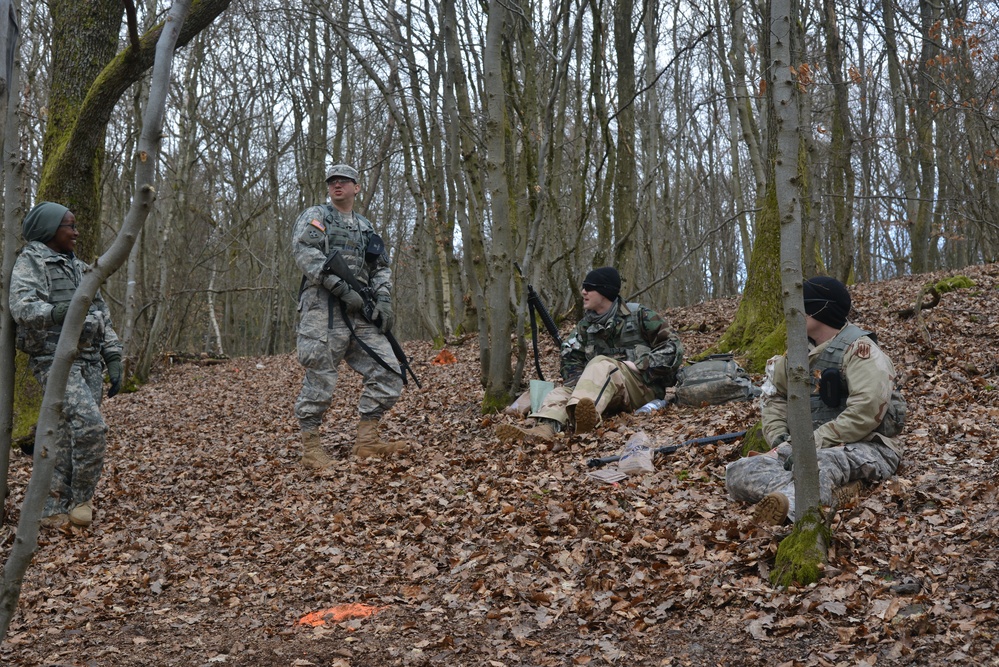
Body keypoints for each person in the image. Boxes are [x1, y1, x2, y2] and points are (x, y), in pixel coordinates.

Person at [725, 276, 906, 524]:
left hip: (868, 446)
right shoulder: (797, 354)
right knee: (740, 470)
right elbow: (776, 395)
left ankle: (792, 506)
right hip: (806, 447)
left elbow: (865, 412)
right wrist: (780, 439)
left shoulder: (861, 352)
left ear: (822, 309)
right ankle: (820, 492)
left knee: (819, 465)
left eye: (802, 306)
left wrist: (810, 444)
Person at [9, 201, 123, 529]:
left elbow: (102, 313)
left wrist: (113, 355)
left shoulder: (81, 267)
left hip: (89, 361)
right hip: (55, 360)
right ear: (49, 230)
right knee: (91, 426)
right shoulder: (32, 260)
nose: (76, 232)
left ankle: (55, 508)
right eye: (69, 226)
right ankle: (81, 500)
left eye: (74, 225)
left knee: (67, 436)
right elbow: (23, 307)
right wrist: (59, 312)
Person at [291, 164, 405, 469]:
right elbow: (305, 252)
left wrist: (383, 299)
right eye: (332, 181)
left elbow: (380, 266)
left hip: (359, 312)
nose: (337, 185)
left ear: (356, 187)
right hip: (322, 309)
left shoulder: (365, 227)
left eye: (344, 181)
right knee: (320, 378)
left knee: (390, 370)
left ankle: (367, 441)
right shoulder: (317, 216)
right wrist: (339, 286)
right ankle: (310, 448)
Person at [496, 267, 684, 443]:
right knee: (560, 391)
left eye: (589, 288)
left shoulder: (640, 315)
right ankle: (544, 428)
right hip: (602, 394)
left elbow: (673, 347)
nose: (583, 292)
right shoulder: (585, 327)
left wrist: (640, 365)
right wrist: (579, 383)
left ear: (605, 292)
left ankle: (584, 417)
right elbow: (569, 359)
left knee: (601, 364)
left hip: (640, 388)